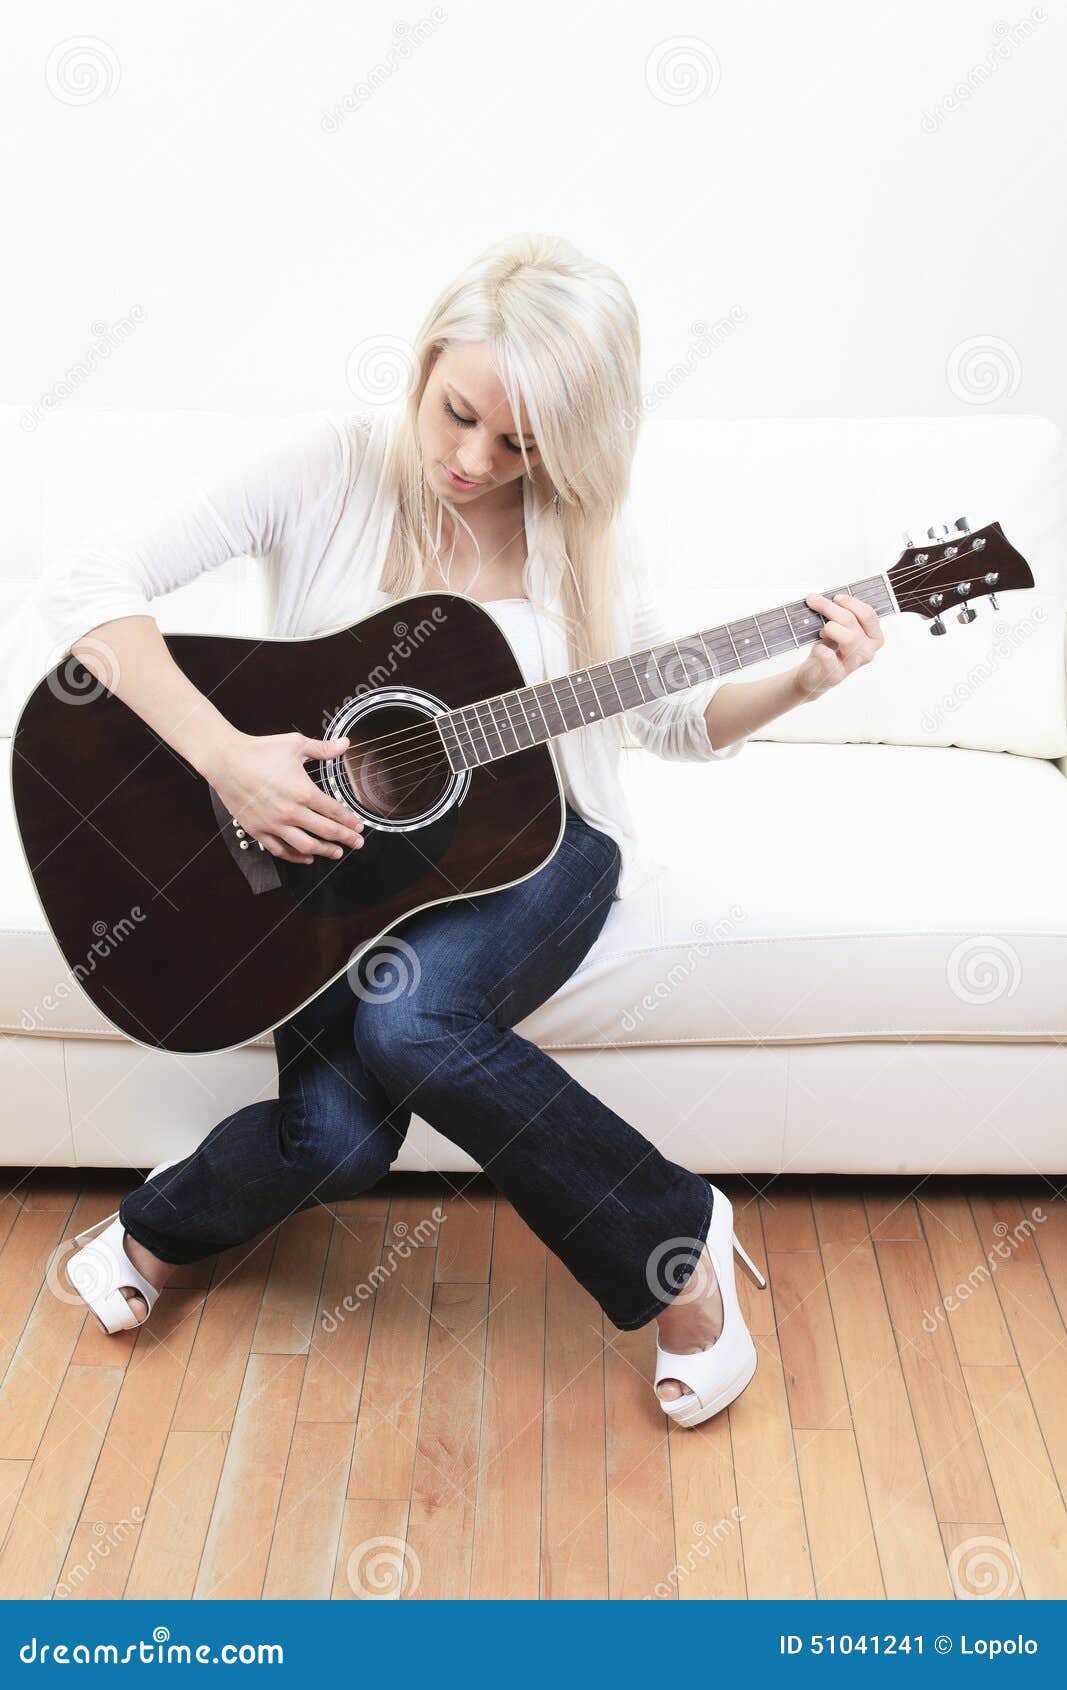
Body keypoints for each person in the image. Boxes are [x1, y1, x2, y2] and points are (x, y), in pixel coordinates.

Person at [39, 234, 883, 1429]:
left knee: (409, 1020)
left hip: (540, 852)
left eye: (522, 443)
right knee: (336, 1143)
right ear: (429, 358)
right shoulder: (325, 465)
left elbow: (676, 723)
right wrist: (227, 760)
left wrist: (801, 679)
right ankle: (154, 1229)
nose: (475, 462)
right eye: (458, 414)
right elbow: (89, 580)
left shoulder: (582, 535)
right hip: (347, 877)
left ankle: (675, 1249)